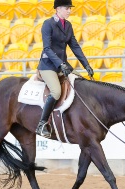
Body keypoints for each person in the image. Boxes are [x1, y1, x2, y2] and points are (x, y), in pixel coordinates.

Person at [35, 0, 94, 138]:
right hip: (48, 65)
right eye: (67, 8)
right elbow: (47, 48)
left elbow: (75, 46)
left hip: (62, 65)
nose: (69, 11)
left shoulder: (68, 25)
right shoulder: (48, 24)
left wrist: (86, 65)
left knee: (81, 81)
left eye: (69, 8)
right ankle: (42, 123)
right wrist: (60, 64)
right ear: (58, 9)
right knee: (56, 92)